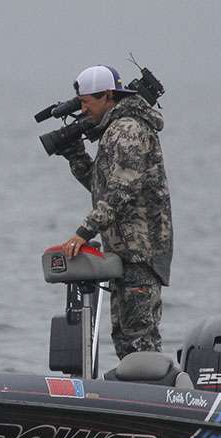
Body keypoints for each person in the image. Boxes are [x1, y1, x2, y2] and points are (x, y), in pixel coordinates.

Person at [57, 65, 173, 360]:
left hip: (140, 252)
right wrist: (76, 157)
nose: (83, 110)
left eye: (87, 103)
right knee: (124, 338)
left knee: (140, 339)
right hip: (124, 252)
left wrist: (83, 233)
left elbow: (120, 191)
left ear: (107, 96)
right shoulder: (114, 130)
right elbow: (102, 189)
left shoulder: (128, 129)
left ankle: (150, 398)